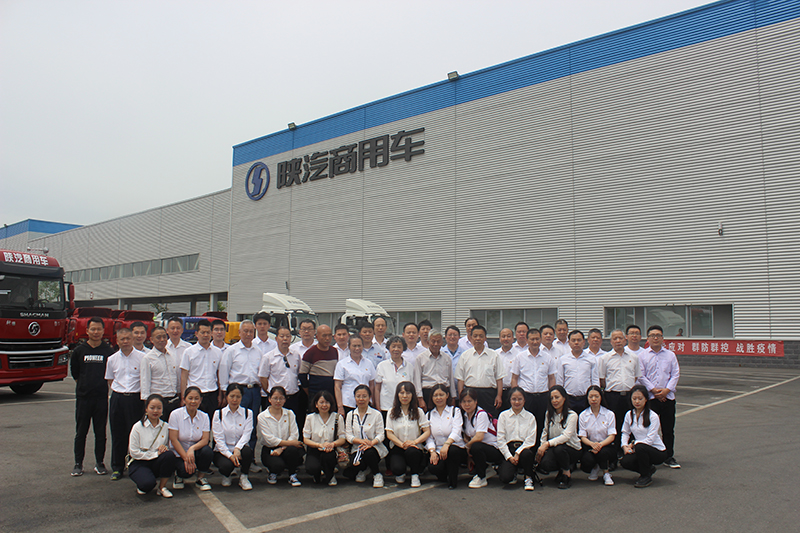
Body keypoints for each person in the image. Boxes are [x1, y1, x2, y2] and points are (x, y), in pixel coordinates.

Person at [70, 316, 115, 477]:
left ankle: (100, 463)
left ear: (103, 331)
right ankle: (78, 464)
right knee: (81, 432)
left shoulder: (108, 352)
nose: (96, 332)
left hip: (101, 398)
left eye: (99, 329)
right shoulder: (79, 351)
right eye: (93, 329)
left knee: (100, 433)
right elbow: (75, 373)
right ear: (87, 331)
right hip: (84, 398)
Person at [105, 328, 145, 480]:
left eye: (128, 338)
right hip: (118, 398)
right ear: (117, 341)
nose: (126, 341)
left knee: (136, 434)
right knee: (118, 434)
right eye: (122, 339)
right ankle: (117, 467)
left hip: (135, 399)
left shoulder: (142, 358)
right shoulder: (112, 359)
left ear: (132, 339)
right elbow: (110, 380)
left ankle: (138, 465)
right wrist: (120, 393)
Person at [639, 324, 681, 469]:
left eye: (658, 335)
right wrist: (654, 391)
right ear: (648, 338)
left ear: (663, 338)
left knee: (668, 429)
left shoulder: (670, 355)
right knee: (649, 429)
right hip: (651, 399)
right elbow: (641, 376)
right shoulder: (642, 355)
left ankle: (668, 456)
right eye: (652, 335)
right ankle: (651, 456)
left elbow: (675, 374)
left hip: (668, 398)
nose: (655, 338)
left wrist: (666, 391)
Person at [597, 329, 641, 458]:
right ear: (611, 342)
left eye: (620, 338)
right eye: (615, 339)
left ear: (625, 340)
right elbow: (602, 379)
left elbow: (635, 376)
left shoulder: (633, 357)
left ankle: (629, 450)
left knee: (631, 423)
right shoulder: (604, 358)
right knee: (614, 424)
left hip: (629, 396)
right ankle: (615, 452)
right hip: (612, 396)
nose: (618, 341)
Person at [218, 319, 261, 448]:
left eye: (251, 331)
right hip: (238, 391)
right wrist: (225, 393)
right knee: (236, 422)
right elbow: (224, 371)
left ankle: (249, 453)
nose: (248, 334)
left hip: (254, 390)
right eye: (245, 331)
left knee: (252, 423)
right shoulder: (231, 351)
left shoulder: (258, 350)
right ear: (239, 332)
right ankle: (233, 451)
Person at [511, 327, 556, 444]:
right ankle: (527, 448)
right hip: (526, 396)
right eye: (532, 339)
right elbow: (514, 378)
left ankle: (540, 448)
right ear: (527, 340)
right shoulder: (520, 357)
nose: (535, 342)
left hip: (543, 396)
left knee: (542, 423)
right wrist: (516, 396)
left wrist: (552, 396)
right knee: (526, 424)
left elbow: (551, 378)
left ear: (540, 340)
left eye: (537, 339)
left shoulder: (547, 357)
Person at [620, 384, 668, 487]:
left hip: (656, 451)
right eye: (634, 399)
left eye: (640, 398)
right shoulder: (629, 414)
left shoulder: (653, 416)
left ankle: (645, 476)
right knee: (625, 461)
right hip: (639, 449)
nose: (637, 401)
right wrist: (625, 446)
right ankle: (648, 469)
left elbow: (650, 439)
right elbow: (625, 432)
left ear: (646, 399)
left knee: (640, 447)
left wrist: (633, 444)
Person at [127, 394, 175, 497]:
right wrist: (155, 454)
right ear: (146, 409)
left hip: (156, 462)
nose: (155, 411)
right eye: (152, 408)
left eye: (159, 408)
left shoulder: (165, 426)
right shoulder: (137, 427)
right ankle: (145, 481)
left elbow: (169, 445)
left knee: (169, 455)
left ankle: (162, 487)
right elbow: (134, 452)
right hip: (139, 462)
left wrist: (165, 448)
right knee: (147, 485)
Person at [385, 381, 431, 488]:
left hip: (414, 447)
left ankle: (415, 475)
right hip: (398, 447)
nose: (405, 396)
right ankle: (401, 473)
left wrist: (414, 442)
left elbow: (427, 431)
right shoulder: (391, 412)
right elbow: (389, 433)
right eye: (401, 393)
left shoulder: (419, 412)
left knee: (412, 452)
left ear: (413, 395)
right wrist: (402, 444)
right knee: (397, 468)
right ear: (397, 395)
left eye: (408, 393)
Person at [259, 325, 303, 432]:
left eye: (288, 336)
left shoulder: (296, 355)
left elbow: (299, 374)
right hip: (276, 400)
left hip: (293, 397)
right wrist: (271, 393)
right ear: (276, 338)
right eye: (282, 336)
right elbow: (263, 378)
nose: (285, 339)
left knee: (293, 427)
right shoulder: (268, 357)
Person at [257, 386, 304, 486]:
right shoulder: (262, 416)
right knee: (277, 465)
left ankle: (292, 475)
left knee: (293, 450)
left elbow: (294, 435)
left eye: (281, 398)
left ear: (285, 400)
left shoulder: (290, 413)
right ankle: (273, 472)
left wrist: (282, 448)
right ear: (269, 399)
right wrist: (288, 444)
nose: (278, 401)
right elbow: (269, 439)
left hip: (287, 448)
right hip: (270, 449)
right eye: (275, 398)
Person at [168, 386, 213, 491]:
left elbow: (205, 439)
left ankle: (201, 478)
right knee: (186, 472)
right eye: (190, 398)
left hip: (195, 453)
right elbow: (174, 440)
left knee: (207, 451)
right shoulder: (175, 415)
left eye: (196, 398)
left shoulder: (204, 416)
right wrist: (186, 458)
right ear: (184, 400)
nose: (193, 401)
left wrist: (192, 449)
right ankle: (178, 476)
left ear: (200, 400)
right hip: (179, 453)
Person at [455, 325, 505, 418]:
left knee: (490, 419)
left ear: (485, 338)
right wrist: (462, 397)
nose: (478, 338)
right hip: (470, 393)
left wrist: (499, 396)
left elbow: (499, 378)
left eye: (481, 336)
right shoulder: (465, 356)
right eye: (475, 336)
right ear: (471, 338)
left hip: (488, 394)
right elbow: (460, 379)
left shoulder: (494, 355)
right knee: (470, 419)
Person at [536, 385, 580, 489]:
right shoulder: (549, 414)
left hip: (572, 448)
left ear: (564, 398)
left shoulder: (572, 415)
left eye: (557, 397)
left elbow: (566, 436)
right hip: (554, 447)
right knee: (545, 464)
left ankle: (566, 474)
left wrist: (547, 444)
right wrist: (542, 446)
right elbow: (545, 431)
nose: (554, 400)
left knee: (559, 449)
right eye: (552, 398)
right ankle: (561, 469)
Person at [212, 384, 254, 490]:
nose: (234, 400)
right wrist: (229, 455)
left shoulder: (248, 413)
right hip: (223, 451)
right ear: (226, 396)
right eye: (232, 396)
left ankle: (244, 476)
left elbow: (247, 434)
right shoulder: (218, 414)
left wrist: (237, 448)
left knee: (247, 452)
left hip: (240, 449)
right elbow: (218, 439)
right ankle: (227, 475)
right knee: (226, 466)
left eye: (238, 396)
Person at [344, 384, 387, 488]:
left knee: (369, 453)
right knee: (353, 467)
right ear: (354, 398)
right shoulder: (351, 415)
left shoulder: (376, 414)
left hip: (374, 447)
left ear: (369, 397)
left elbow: (381, 434)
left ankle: (377, 474)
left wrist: (371, 443)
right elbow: (348, 435)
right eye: (358, 396)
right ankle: (363, 469)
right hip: (357, 448)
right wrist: (360, 441)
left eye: (364, 396)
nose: (361, 399)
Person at [496, 387, 538, 490]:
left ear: (524, 400)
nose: (517, 402)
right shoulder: (503, 416)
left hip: (524, 449)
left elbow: (531, 440)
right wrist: (509, 456)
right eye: (514, 399)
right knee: (505, 478)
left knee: (527, 454)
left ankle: (528, 477)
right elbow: (500, 439)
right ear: (509, 400)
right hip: (509, 449)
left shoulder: (530, 417)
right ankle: (513, 473)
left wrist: (518, 453)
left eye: (520, 399)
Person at [425, 384, 467, 489]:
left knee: (452, 451)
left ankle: (453, 482)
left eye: (441, 395)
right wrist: (432, 451)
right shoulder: (429, 415)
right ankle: (444, 475)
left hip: (455, 447)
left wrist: (447, 444)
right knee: (433, 467)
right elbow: (429, 437)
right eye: (435, 395)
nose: (438, 398)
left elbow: (457, 430)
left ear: (447, 395)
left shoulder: (455, 411)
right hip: (438, 450)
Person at [460, 388, 502, 489]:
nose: (467, 404)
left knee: (476, 446)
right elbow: (466, 436)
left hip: (493, 449)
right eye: (464, 401)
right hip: (479, 448)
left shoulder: (481, 414)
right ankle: (487, 469)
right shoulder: (464, 415)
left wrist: (467, 447)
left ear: (476, 401)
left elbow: (479, 437)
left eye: (469, 401)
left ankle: (481, 477)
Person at [303, 390, 346, 486]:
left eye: (327, 402)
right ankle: (317, 474)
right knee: (311, 468)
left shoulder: (337, 417)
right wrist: (319, 445)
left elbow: (342, 438)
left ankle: (330, 475)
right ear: (316, 404)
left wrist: (332, 444)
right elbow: (306, 439)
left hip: (330, 449)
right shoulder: (310, 418)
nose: (324, 405)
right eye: (321, 402)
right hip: (315, 448)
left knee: (328, 457)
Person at [179, 320, 222, 415]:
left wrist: (220, 394)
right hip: (195, 394)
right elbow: (184, 376)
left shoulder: (218, 352)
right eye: (202, 332)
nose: (205, 335)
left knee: (211, 421)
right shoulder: (189, 352)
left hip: (212, 393)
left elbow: (219, 375)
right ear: (196, 334)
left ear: (211, 333)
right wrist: (183, 396)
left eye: (208, 332)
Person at [140, 326, 181, 421]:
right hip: (158, 402)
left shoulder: (172, 355)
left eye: (164, 337)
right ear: (151, 340)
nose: (162, 340)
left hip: (173, 399)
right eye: (158, 337)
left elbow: (177, 376)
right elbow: (145, 383)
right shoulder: (148, 358)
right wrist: (147, 405)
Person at [578, 385, 616, 486]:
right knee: (586, 461)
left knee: (603, 453)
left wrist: (600, 445)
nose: (593, 399)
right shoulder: (583, 415)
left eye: (596, 396)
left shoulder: (609, 414)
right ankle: (595, 467)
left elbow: (612, 436)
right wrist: (592, 444)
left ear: (601, 397)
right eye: (591, 397)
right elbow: (582, 437)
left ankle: (606, 473)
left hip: (606, 446)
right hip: (591, 446)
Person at [555, 330, 599, 414]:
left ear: (584, 342)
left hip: (586, 398)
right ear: (569, 343)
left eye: (579, 340)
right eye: (573, 340)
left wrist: (595, 395)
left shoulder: (591, 359)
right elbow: (560, 380)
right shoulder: (563, 359)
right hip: (569, 398)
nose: (576, 343)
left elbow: (595, 379)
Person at [334, 335, 376, 415]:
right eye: (354, 346)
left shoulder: (369, 363)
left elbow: (371, 384)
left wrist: (371, 401)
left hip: (365, 403)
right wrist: (340, 407)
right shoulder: (342, 364)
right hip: (348, 403)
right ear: (349, 347)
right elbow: (337, 387)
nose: (357, 348)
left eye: (359, 346)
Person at [414, 329, 456, 409]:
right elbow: (417, 380)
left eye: (438, 341)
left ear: (442, 343)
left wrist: (453, 397)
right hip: (428, 392)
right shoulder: (420, 358)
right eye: (433, 341)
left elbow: (451, 378)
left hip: (444, 392)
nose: (436, 344)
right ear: (428, 342)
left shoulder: (447, 358)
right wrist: (420, 398)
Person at [374, 336, 417, 414]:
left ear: (403, 349)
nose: (396, 349)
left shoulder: (409, 367)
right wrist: (378, 407)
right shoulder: (382, 366)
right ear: (389, 348)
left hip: (404, 407)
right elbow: (377, 388)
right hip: (386, 407)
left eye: (399, 347)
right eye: (393, 346)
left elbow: (412, 389)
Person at [298, 324, 338, 401]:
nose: (327, 338)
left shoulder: (334, 351)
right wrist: (309, 392)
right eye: (324, 336)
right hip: (315, 394)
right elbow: (302, 375)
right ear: (317, 337)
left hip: (331, 393)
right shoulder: (310, 353)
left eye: (329, 335)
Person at [497, 328, 516, 409]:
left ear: (513, 338)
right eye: (503, 336)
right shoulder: (495, 354)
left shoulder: (519, 355)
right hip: (497, 391)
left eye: (508, 336)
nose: (506, 339)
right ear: (499, 339)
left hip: (512, 390)